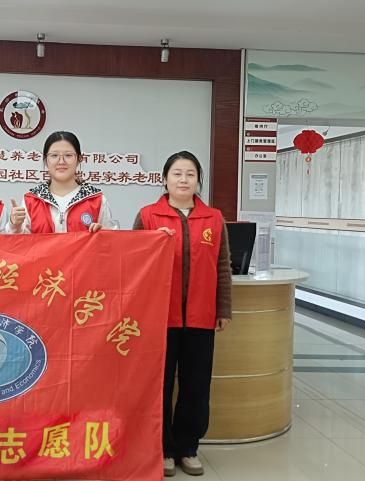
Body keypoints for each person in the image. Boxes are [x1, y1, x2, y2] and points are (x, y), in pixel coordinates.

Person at [133, 151, 231, 477]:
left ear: (198, 180)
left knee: (196, 385)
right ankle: (162, 449)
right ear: (164, 179)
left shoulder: (213, 218)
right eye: (177, 173)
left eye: (190, 174)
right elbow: (133, 263)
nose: (183, 180)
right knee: (159, 385)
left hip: (201, 317)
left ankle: (188, 447)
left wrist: (223, 308)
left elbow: (222, 266)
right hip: (160, 317)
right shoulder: (148, 216)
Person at [7, 131, 113, 233]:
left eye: (68, 155)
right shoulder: (31, 201)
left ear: (79, 159)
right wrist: (15, 226)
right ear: (46, 160)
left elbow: (112, 239)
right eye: (54, 155)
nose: (61, 161)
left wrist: (103, 233)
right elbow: (21, 242)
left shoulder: (96, 200)